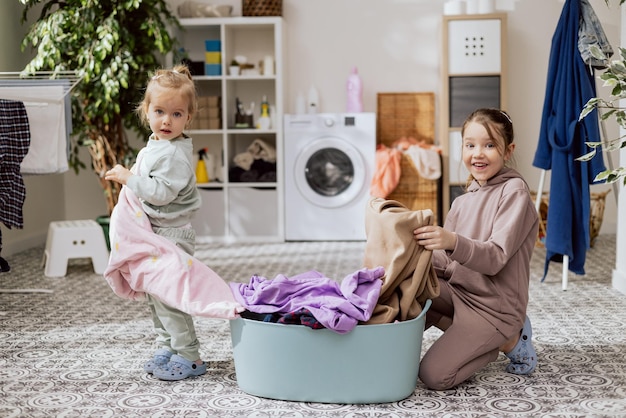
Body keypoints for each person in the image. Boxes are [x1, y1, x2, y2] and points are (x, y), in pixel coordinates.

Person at [413, 108, 539, 390]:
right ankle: (387, 351)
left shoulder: (514, 192)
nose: (478, 153)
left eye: (489, 145)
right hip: (461, 294)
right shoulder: (463, 201)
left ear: (508, 151)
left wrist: (452, 241)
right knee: (411, 286)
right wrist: (413, 255)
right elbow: (446, 263)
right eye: (470, 145)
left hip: (495, 308)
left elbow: (494, 258)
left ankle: (508, 339)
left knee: (434, 376)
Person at [105, 64, 205, 381]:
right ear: (147, 110)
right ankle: (168, 345)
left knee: (169, 297)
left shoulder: (176, 155)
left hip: (172, 235)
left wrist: (128, 178)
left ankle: (189, 355)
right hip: (155, 232)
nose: (166, 120)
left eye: (176, 114)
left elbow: (160, 193)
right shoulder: (157, 144)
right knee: (155, 295)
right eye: (160, 111)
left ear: (188, 118)